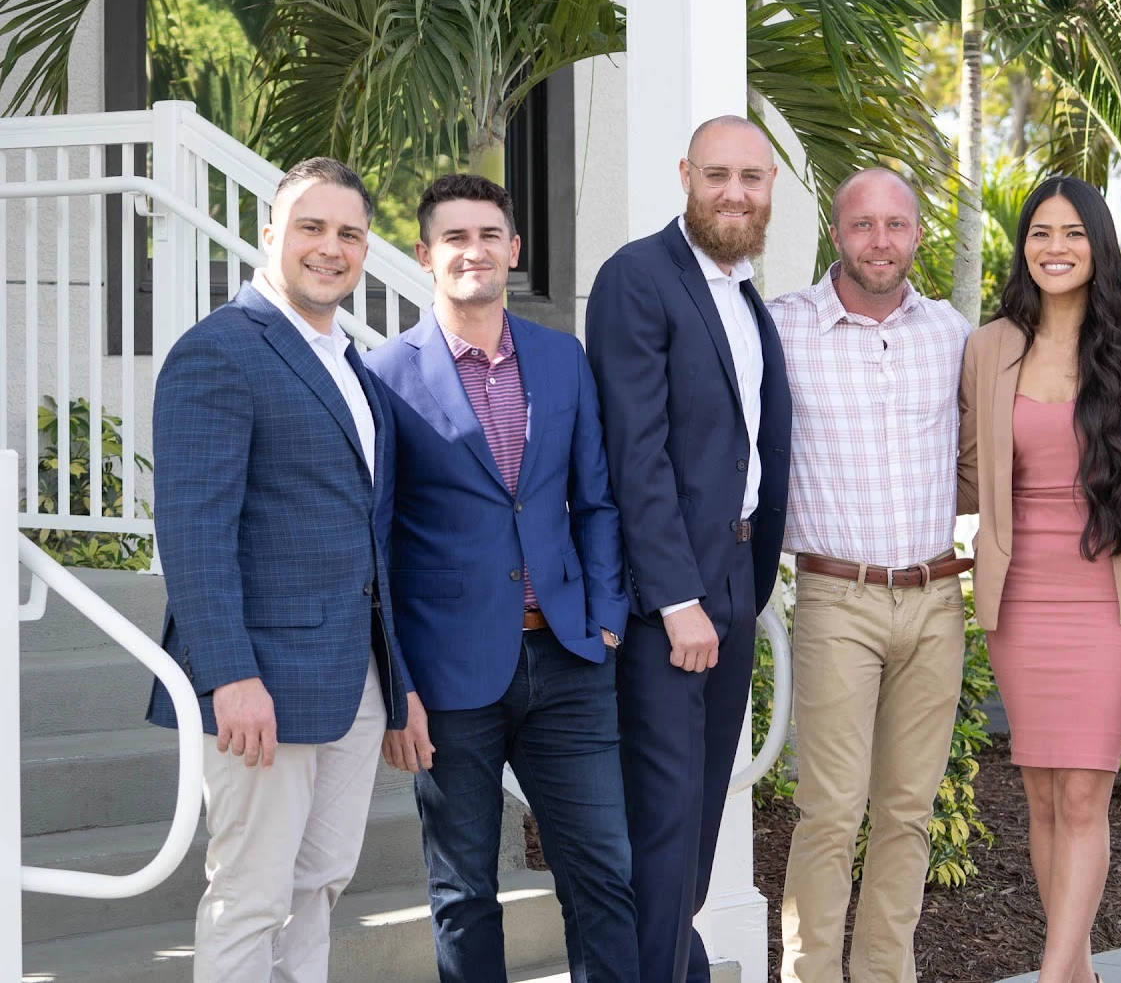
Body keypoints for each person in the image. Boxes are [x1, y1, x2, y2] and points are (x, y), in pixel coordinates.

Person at [146, 157, 413, 983]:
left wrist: (397, 682)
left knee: (320, 884)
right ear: (270, 234)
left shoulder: (351, 362)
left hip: (354, 676)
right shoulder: (219, 351)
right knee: (251, 894)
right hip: (261, 678)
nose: (331, 248)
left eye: (350, 234)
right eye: (311, 227)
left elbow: (370, 535)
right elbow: (195, 532)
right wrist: (229, 675)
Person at [364, 174, 635, 983]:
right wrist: (400, 685)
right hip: (449, 674)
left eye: (489, 235)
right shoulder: (384, 374)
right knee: (463, 891)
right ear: (425, 254)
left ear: (514, 250)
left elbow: (596, 499)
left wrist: (606, 616)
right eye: (454, 237)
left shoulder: (561, 357)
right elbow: (379, 543)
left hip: (568, 657)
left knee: (604, 873)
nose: (473, 250)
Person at [585, 115, 792, 983]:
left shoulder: (745, 296)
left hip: (737, 579)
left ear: (770, 186)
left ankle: (675, 964)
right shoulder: (638, 277)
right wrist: (677, 599)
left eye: (751, 177)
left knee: (699, 820)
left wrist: (744, 583)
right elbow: (635, 451)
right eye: (717, 175)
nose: (734, 193)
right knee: (665, 825)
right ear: (685, 176)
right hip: (673, 600)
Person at [957, 175, 1121, 983]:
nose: (1055, 247)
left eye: (1073, 233)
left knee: (1082, 795)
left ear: (1098, 246)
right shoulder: (988, 347)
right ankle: (1077, 973)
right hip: (1020, 595)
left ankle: (1052, 976)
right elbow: (966, 471)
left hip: (1110, 597)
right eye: (1040, 232)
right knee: (1042, 796)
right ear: (1023, 248)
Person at [769, 168, 972, 983]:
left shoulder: (952, 333)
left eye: (895, 224)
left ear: (916, 233)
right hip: (837, 597)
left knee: (907, 813)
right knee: (829, 811)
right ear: (836, 234)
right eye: (862, 224)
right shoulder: (784, 326)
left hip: (935, 598)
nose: (879, 241)